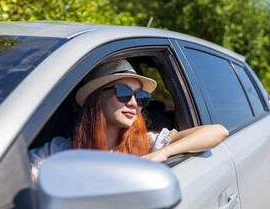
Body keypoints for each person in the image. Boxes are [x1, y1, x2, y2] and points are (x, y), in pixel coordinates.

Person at [29, 59, 229, 181]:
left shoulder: (148, 143)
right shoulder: (62, 150)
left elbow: (218, 132)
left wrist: (161, 153)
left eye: (141, 96)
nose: (134, 103)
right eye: (123, 93)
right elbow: (16, 172)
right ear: (95, 98)